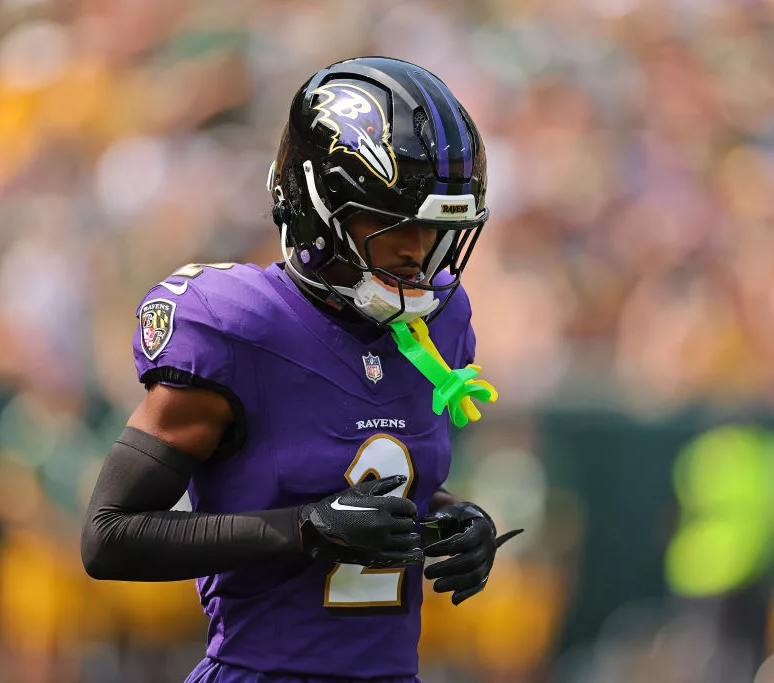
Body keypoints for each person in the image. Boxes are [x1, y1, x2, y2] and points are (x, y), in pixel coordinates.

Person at [80, 56, 520, 683]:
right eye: (394, 223)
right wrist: (304, 530)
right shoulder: (239, 325)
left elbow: (362, 479)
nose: (417, 251)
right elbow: (108, 536)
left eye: (432, 229)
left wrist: (452, 516)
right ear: (321, 209)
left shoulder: (439, 324)